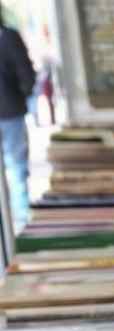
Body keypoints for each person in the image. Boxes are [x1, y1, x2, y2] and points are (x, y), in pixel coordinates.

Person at [0, 22, 34, 230]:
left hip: (11, 111)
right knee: (16, 164)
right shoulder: (9, 37)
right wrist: (24, 93)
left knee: (15, 165)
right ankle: (20, 218)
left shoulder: (9, 37)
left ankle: (16, 217)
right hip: (11, 110)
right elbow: (26, 73)